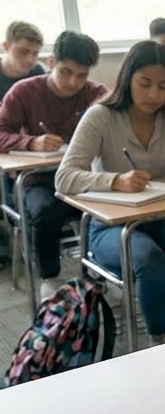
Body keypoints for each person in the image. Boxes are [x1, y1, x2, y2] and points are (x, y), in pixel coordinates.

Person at [56, 41, 165, 345]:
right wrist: (114, 181)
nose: (153, 94)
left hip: (160, 216)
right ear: (127, 80)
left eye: (164, 86)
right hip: (110, 227)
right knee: (149, 261)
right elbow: (64, 177)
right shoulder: (100, 116)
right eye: (145, 84)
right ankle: (162, 344)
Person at [0, 30, 106, 298]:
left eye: (81, 75)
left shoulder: (95, 94)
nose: (73, 82)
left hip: (83, 176)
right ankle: (50, 276)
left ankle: (98, 273)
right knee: (45, 211)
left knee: (106, 208)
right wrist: (30, 142)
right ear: (50, 63)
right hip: (40, 178)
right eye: (66, 72)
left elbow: (119, 121)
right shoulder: (24, 92)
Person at [0, 21, 46, 99]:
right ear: (6, 46)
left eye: (35, 54)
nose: (30, 60)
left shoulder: (38, 74)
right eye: (23, 52)